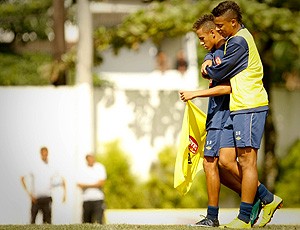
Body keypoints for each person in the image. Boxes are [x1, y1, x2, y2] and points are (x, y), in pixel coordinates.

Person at [200, 1, 283, 228]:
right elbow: (218, 62)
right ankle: (267, 198)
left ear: (233, 23)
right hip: (237, 107)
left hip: (250, 105)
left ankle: (245, 218)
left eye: (220, 25)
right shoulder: (233, 40)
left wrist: (208, 67)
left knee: (247, 162)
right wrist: (210, 60)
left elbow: (220, 71)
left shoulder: (238, 42)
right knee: (225, 161)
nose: (217, 30)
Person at [20, 146, 67, 224]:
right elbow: (22, 178)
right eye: (43, 153)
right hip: (36, 198)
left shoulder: (52, 167)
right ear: (41, 153)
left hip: (47, 198)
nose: (45, 154)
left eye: (46, 153)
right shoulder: (35, 166)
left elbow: (60, 181)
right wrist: (30, 194)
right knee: (33, 221)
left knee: (47, 222)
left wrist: (64, 194)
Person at [77, 154, 107, 224]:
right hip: (86, 199)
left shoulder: (100, 167)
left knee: (98, 222)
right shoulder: (82, 169)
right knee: (86, 223)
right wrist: (95, 184)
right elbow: (79, 185)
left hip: (98, 199)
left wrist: (86, 185)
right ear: (86, 160)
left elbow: (101, 183)